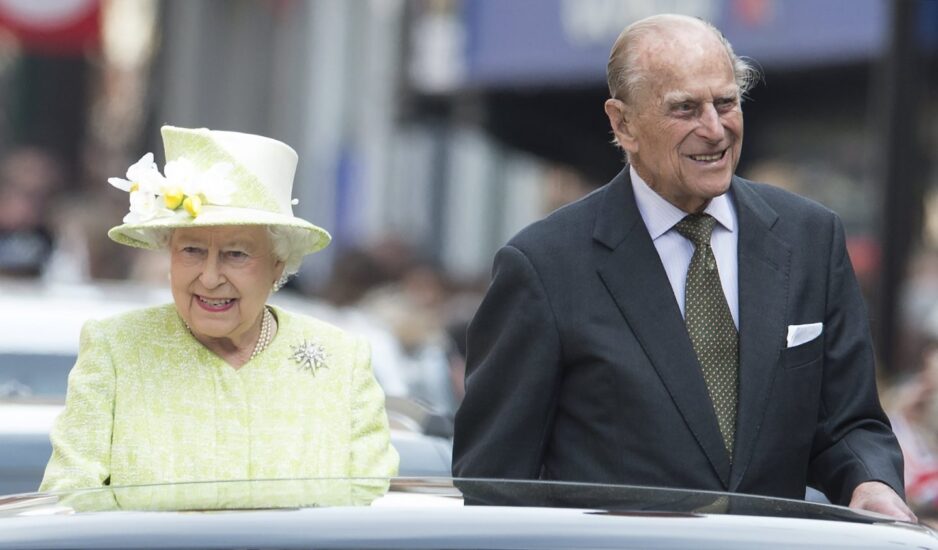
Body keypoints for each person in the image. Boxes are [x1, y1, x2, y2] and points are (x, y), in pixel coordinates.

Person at [452, 14, 913, 521]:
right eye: (685, 109)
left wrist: (870, 480)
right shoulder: (543, 267)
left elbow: (848, 423)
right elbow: (494, 486)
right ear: (622, 123)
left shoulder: (810, 239)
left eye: (726, 103)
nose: (714, 130)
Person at [41, 125, 399, 493]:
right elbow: (68, 500)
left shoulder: (342, 360)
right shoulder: (116, 348)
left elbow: (371, 507)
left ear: (279, 263)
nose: (210, 278)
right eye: (192, 250)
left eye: (236, 254)